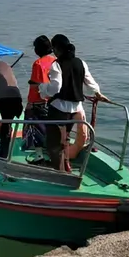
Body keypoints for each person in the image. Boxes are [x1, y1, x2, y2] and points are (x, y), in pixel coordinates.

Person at [39, 34, 109, 172]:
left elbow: (56, 87)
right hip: (74, 110)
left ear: (57, 49)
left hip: (58, 109)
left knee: (54, 144)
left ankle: (60, 173)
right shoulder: (81, 63)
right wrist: (98, 93)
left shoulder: (56, 65)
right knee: (65, 139)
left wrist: (43, 89)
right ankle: (65, 167)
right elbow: (90, 81)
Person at [23, 36, 56, 150]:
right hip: (52, 102)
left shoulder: (38, 64)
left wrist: (30, 104)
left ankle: (36, 154)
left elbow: (36, 85)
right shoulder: (55, 61)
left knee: (32, 133)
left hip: (37, 103)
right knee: (49, 130)